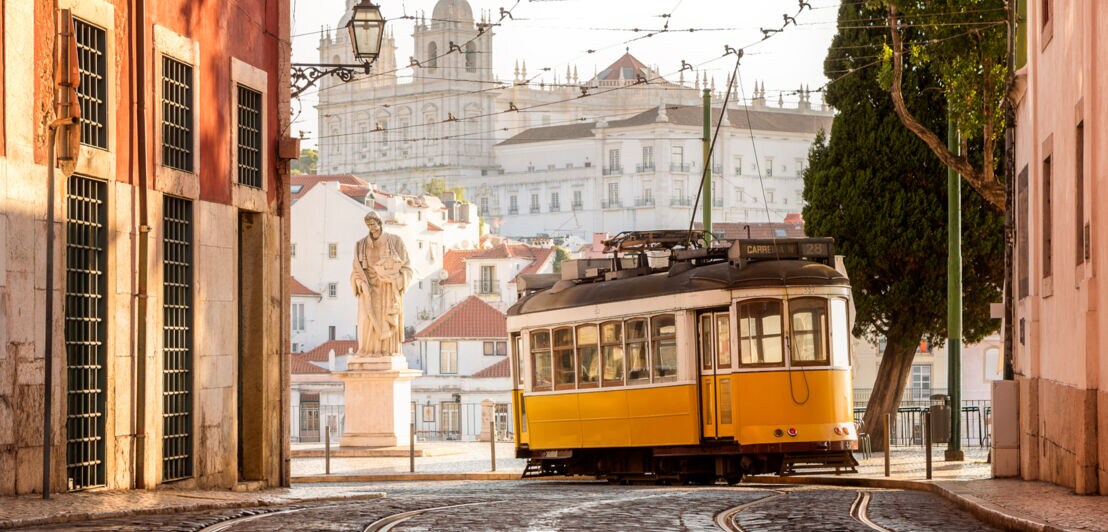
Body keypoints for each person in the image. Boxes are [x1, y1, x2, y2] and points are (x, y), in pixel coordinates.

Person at [351, 212, 413, 356]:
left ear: (379, 223)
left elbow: (407, 269)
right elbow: (355, 272)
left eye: (373, 224)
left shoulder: (396, 241)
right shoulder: (360, 245)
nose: (371, 228)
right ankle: (367, 351)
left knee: (387, 323)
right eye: (368, 225)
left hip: (388, 290)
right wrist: (360, 284)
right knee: (366, 321)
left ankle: (387, 351)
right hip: (368, 291)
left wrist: (396, 281)